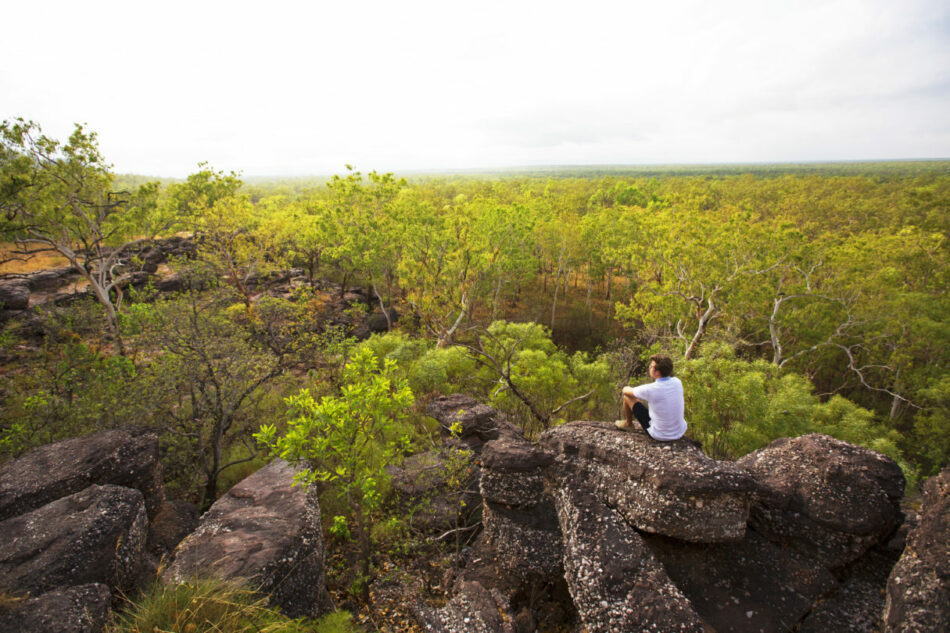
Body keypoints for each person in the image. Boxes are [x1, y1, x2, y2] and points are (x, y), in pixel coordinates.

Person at [616, 355, 687, 441]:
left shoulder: (651, 389)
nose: (650, 367)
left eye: (651, 366)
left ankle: (628, 424)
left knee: (627, 397)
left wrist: (625, 387)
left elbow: (626, 391)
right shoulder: (677, 382)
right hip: (679, 432)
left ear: (657, 372)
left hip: (659, 434)